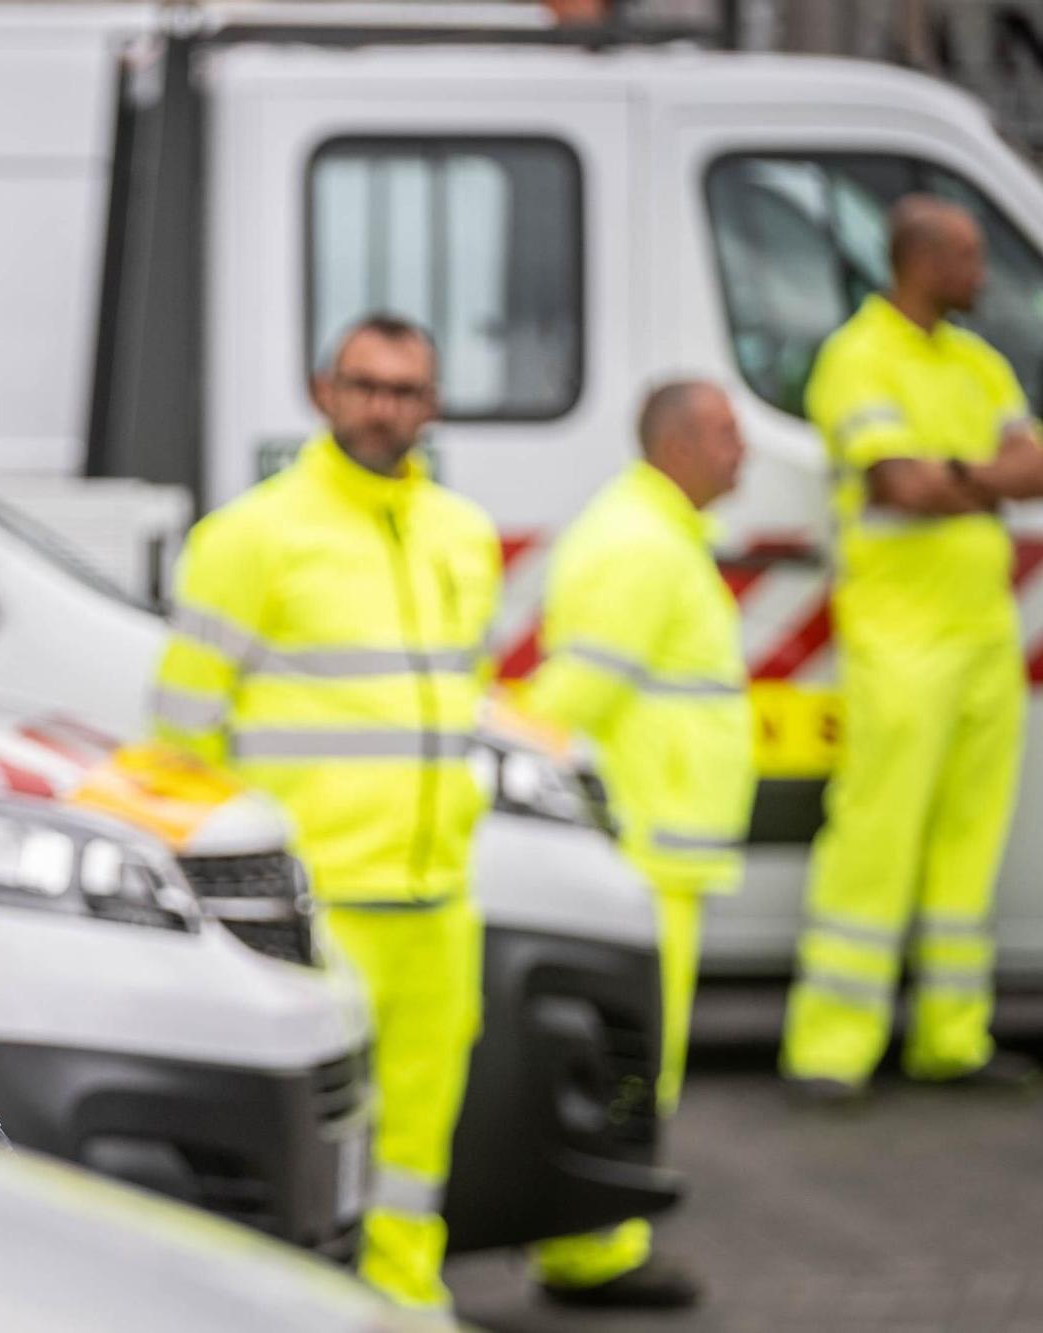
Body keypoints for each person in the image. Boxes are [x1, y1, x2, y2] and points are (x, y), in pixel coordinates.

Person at [151, 314, 500, 1319]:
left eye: (404, 390)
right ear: (321, 390)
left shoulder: (461, 535)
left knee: (415, 1137)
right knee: (306, 1134)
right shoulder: (249, 537)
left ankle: (404, 1300)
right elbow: (179, 740)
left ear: (430, 405)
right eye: (363, 384)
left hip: (436, 896)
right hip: (315, 902)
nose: (382, 406)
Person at [781, 195, 1043, 1101]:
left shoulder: (978, 361)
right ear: (918, 261)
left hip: (981, 635)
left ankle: (951, 1037)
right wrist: (984, 478)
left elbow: (1030, 466)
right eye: (968, 258)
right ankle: (830, 1048)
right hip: (898, 640)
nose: (981, 275)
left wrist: (957, 475)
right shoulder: (857, 359)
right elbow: (899, 485)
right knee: (876, 840)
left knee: (968, 847)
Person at [519, 381, 755, 1310]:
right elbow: (572, 701)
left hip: (657, 851)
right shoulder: (642, 546)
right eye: (729, 435)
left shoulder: (649, 535)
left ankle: (598, 1237)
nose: (744, 453)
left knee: (634, 1062)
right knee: (630, 1064)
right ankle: (592, 1252)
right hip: (644, 855)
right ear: (679, 443)